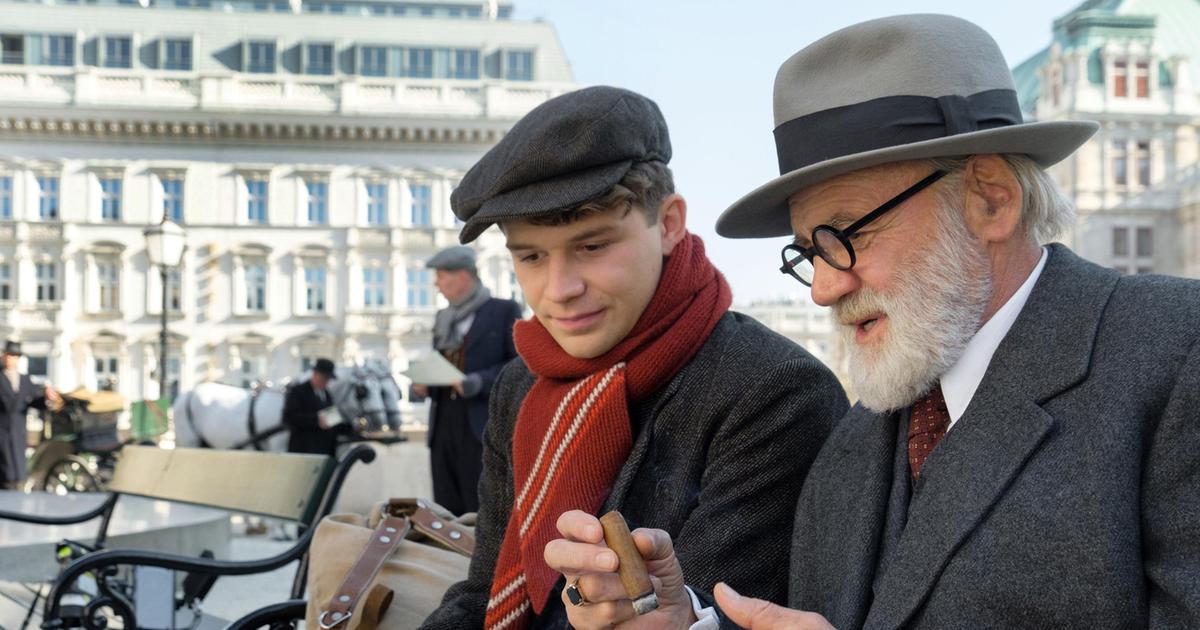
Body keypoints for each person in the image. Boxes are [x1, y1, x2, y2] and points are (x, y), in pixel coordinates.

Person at [551, 14, 1200, 630]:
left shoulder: (1178, 354)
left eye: (846, 235)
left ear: (990, 200)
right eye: (809, 252)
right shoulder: (854, 442)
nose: (825, 289)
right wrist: (688, 620)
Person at [419, 85, 847, 630]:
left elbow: (706, 613)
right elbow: (484, 591)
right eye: (530, 256)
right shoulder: (520, 383)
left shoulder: (775, 390)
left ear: (668, 224)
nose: (559, 288)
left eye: (592, 246)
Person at [410, 245, 522, 516]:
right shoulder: (442, 318)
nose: (436, 285)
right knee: (446, 507)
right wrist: (421, 385)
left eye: (441, 277)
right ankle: (452, 560)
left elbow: (519, 366)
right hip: (443, 425)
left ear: (461, 276)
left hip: (481, 425)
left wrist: (478, 381)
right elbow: (439, 362)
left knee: (482, 508)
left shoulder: (503, 310)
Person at [0, 340, 61, 490]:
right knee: (5, 471)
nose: (11, 359)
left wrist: (47, 398)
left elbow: (34, 402)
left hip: (19, 431)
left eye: (15, 356)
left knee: (18, 472)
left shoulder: (25, 379)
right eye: (9, 355)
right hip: (2, 431)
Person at [282, 357, 342, 456]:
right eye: (323, 378)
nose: (326, 382)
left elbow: (332, 421)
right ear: (314, 374)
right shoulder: (298, 391)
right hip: (303, 451)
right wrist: (316, 420)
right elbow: (289, 417)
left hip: (324, 451)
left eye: (328, 379)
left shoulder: (327, 394)